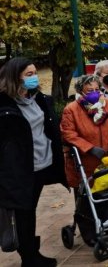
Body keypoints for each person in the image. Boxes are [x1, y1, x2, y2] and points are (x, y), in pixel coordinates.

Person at [0, 58, 66, 267]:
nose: (34, 77)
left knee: (29, 211)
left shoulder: (38, 99)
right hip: (19, 171)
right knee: (23, 213)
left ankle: (31, 254)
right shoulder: (4, 105)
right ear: (14, 77)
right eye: (29, 74)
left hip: (41, 165)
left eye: (35, 73)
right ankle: (29, 257)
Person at [60, 75, 108, 244]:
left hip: (107, 160)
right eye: (90, 90)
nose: (95, 93)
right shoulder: (72, 110)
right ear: (80, 91)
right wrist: (88, 147)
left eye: (97, 89)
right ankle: (89, 233)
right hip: (84, 162)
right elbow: (68, 134)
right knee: (85, 198)